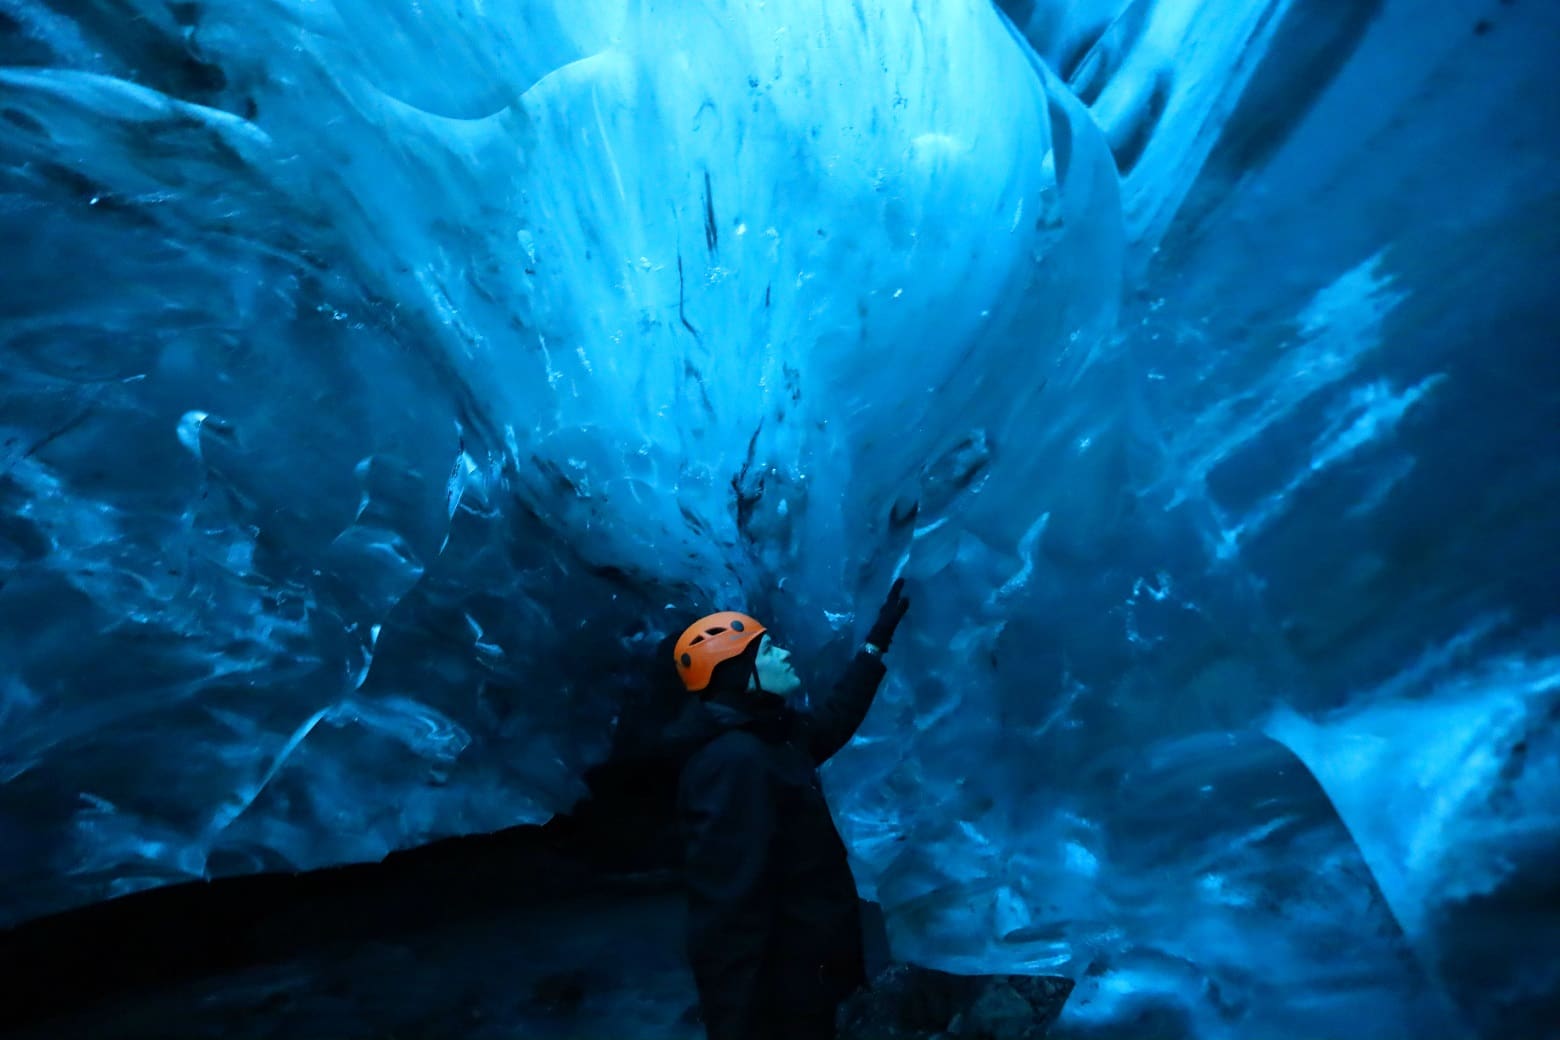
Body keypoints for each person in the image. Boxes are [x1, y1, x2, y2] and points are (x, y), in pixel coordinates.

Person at [671, 580, 911, 1040]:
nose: (783, 654)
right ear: (741, 676)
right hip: (787, 993)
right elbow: (728, 909)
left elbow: (832, 721)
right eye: (766, 651)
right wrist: (734, 1024)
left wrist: (876, 642)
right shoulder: (734, 765)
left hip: (814, 973)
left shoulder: (771, 737)